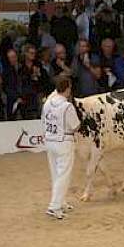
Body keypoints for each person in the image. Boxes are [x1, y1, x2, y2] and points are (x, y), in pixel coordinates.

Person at [41, 76, 79, 220]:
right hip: (63, 142)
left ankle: (61, 202)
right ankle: (54, 206)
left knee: (56, 174)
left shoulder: (48, 103)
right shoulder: (67, 106)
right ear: (67, 88)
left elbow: (43, 120)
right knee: (63, 175)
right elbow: (75, 126)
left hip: (50, 141)